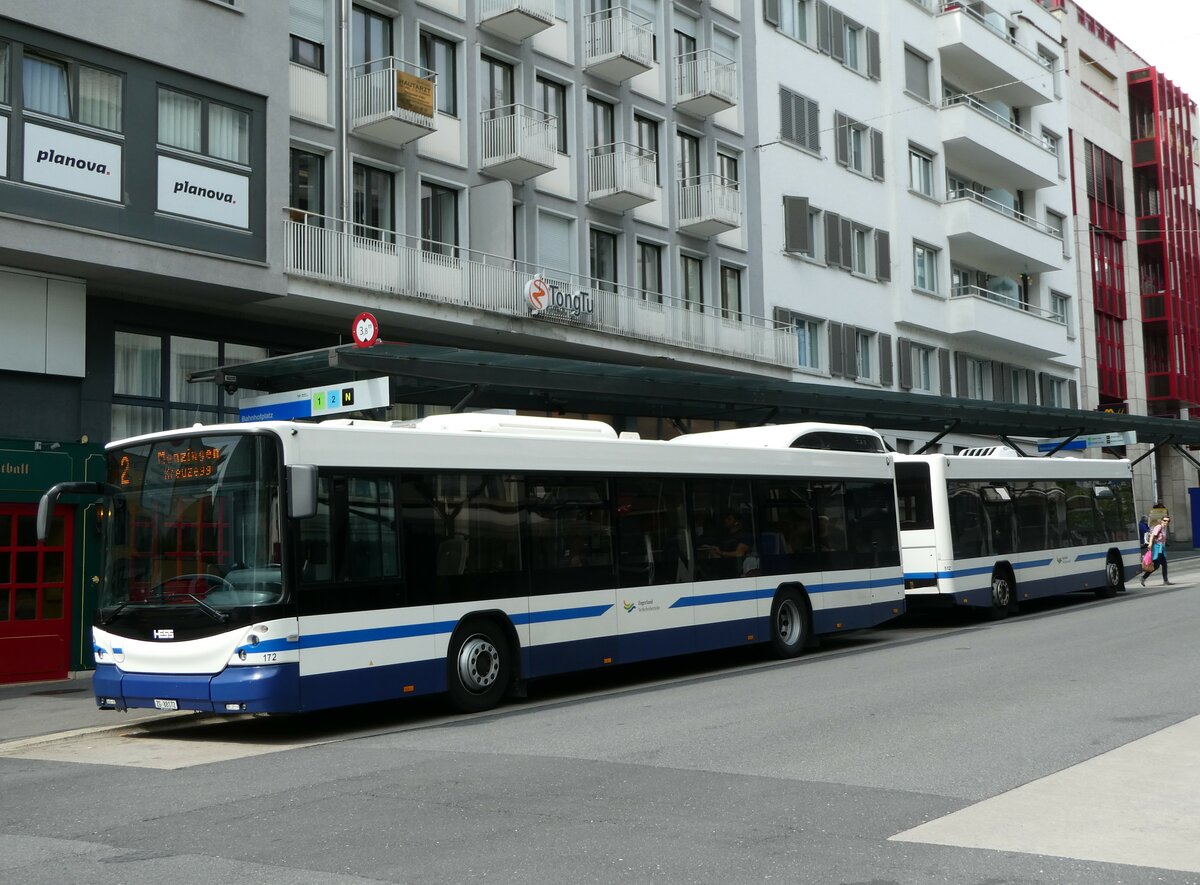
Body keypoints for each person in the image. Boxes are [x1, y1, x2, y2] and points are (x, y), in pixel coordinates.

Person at [1141, 516, 1172, 586]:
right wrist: (1150, 544)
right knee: (1158, 565)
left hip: (1161, 548)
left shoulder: (1164, 528)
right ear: (1161, 521)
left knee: (1161, 565)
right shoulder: (1159, 527)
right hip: (1157, 548)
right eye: (1165, 520)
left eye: (1168, 521)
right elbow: (1152, 535)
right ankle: (1143, 577)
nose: (1166, 522)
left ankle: (1165, 580)